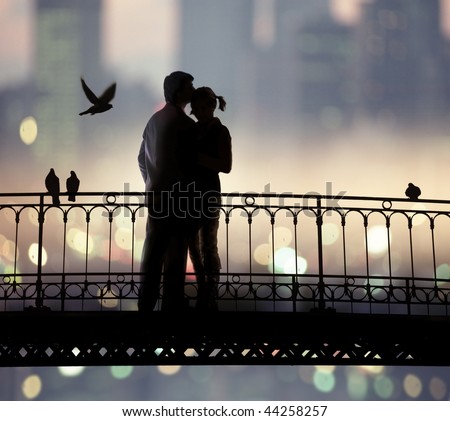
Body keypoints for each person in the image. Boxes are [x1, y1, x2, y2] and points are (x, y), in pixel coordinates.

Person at [137, 71, 197, 312]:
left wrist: (151, 181)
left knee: (152, 251)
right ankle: (171, 306)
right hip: (177, 198)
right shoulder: (185, 124)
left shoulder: (154, 120)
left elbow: (141, 158)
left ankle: (145, 303)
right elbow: (192, 163)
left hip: (155, 196)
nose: (193, 90)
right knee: (175, 253)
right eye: (189, 86)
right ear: (179, 90)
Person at [187, 86, 232, 311]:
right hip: (194, 194)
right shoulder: (196, 130)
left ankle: (209, 292)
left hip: (207, 194)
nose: (200, 112)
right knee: (195, 245)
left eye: (203, 108)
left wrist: (198, 159)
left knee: (207, 245)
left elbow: (226, 166)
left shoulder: (219, 132)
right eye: (197, 109)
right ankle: (206, 290)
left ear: (212, 107)